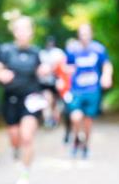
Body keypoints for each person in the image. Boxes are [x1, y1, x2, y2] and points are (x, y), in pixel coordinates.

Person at [0, 16, 50, 184]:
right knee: (15, 137)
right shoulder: (6, 51)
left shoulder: (36, 52)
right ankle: (17, 151)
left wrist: (44, 71)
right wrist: (0, 74)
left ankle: (24, 174)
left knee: (27, 136)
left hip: (31, 99)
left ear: (31, 32)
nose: (22, 33)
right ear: (14, 31)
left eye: (26, 29)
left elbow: (43, 73)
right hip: (11, 99)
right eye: (19, 29)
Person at [65, 23, 113, 158]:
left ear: (91, 34)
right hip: (76, 90)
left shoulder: (99, 49)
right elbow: (67, 67)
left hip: (92, 90)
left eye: (86, 33)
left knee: (88, 121)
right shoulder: (72, 49)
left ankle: (85, 145)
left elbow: (106, 64)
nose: (84, 36)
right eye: (81, 33)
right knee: (75, 117)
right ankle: (76, 139)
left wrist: (106, 76)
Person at [39, 36, 66, 129]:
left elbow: (63, 66)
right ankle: (48, 120)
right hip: (45, 82)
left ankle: (55, 119)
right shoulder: (42, 53)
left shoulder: (58, 52)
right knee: (47, 99)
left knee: (57, 102)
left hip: (57, 80)